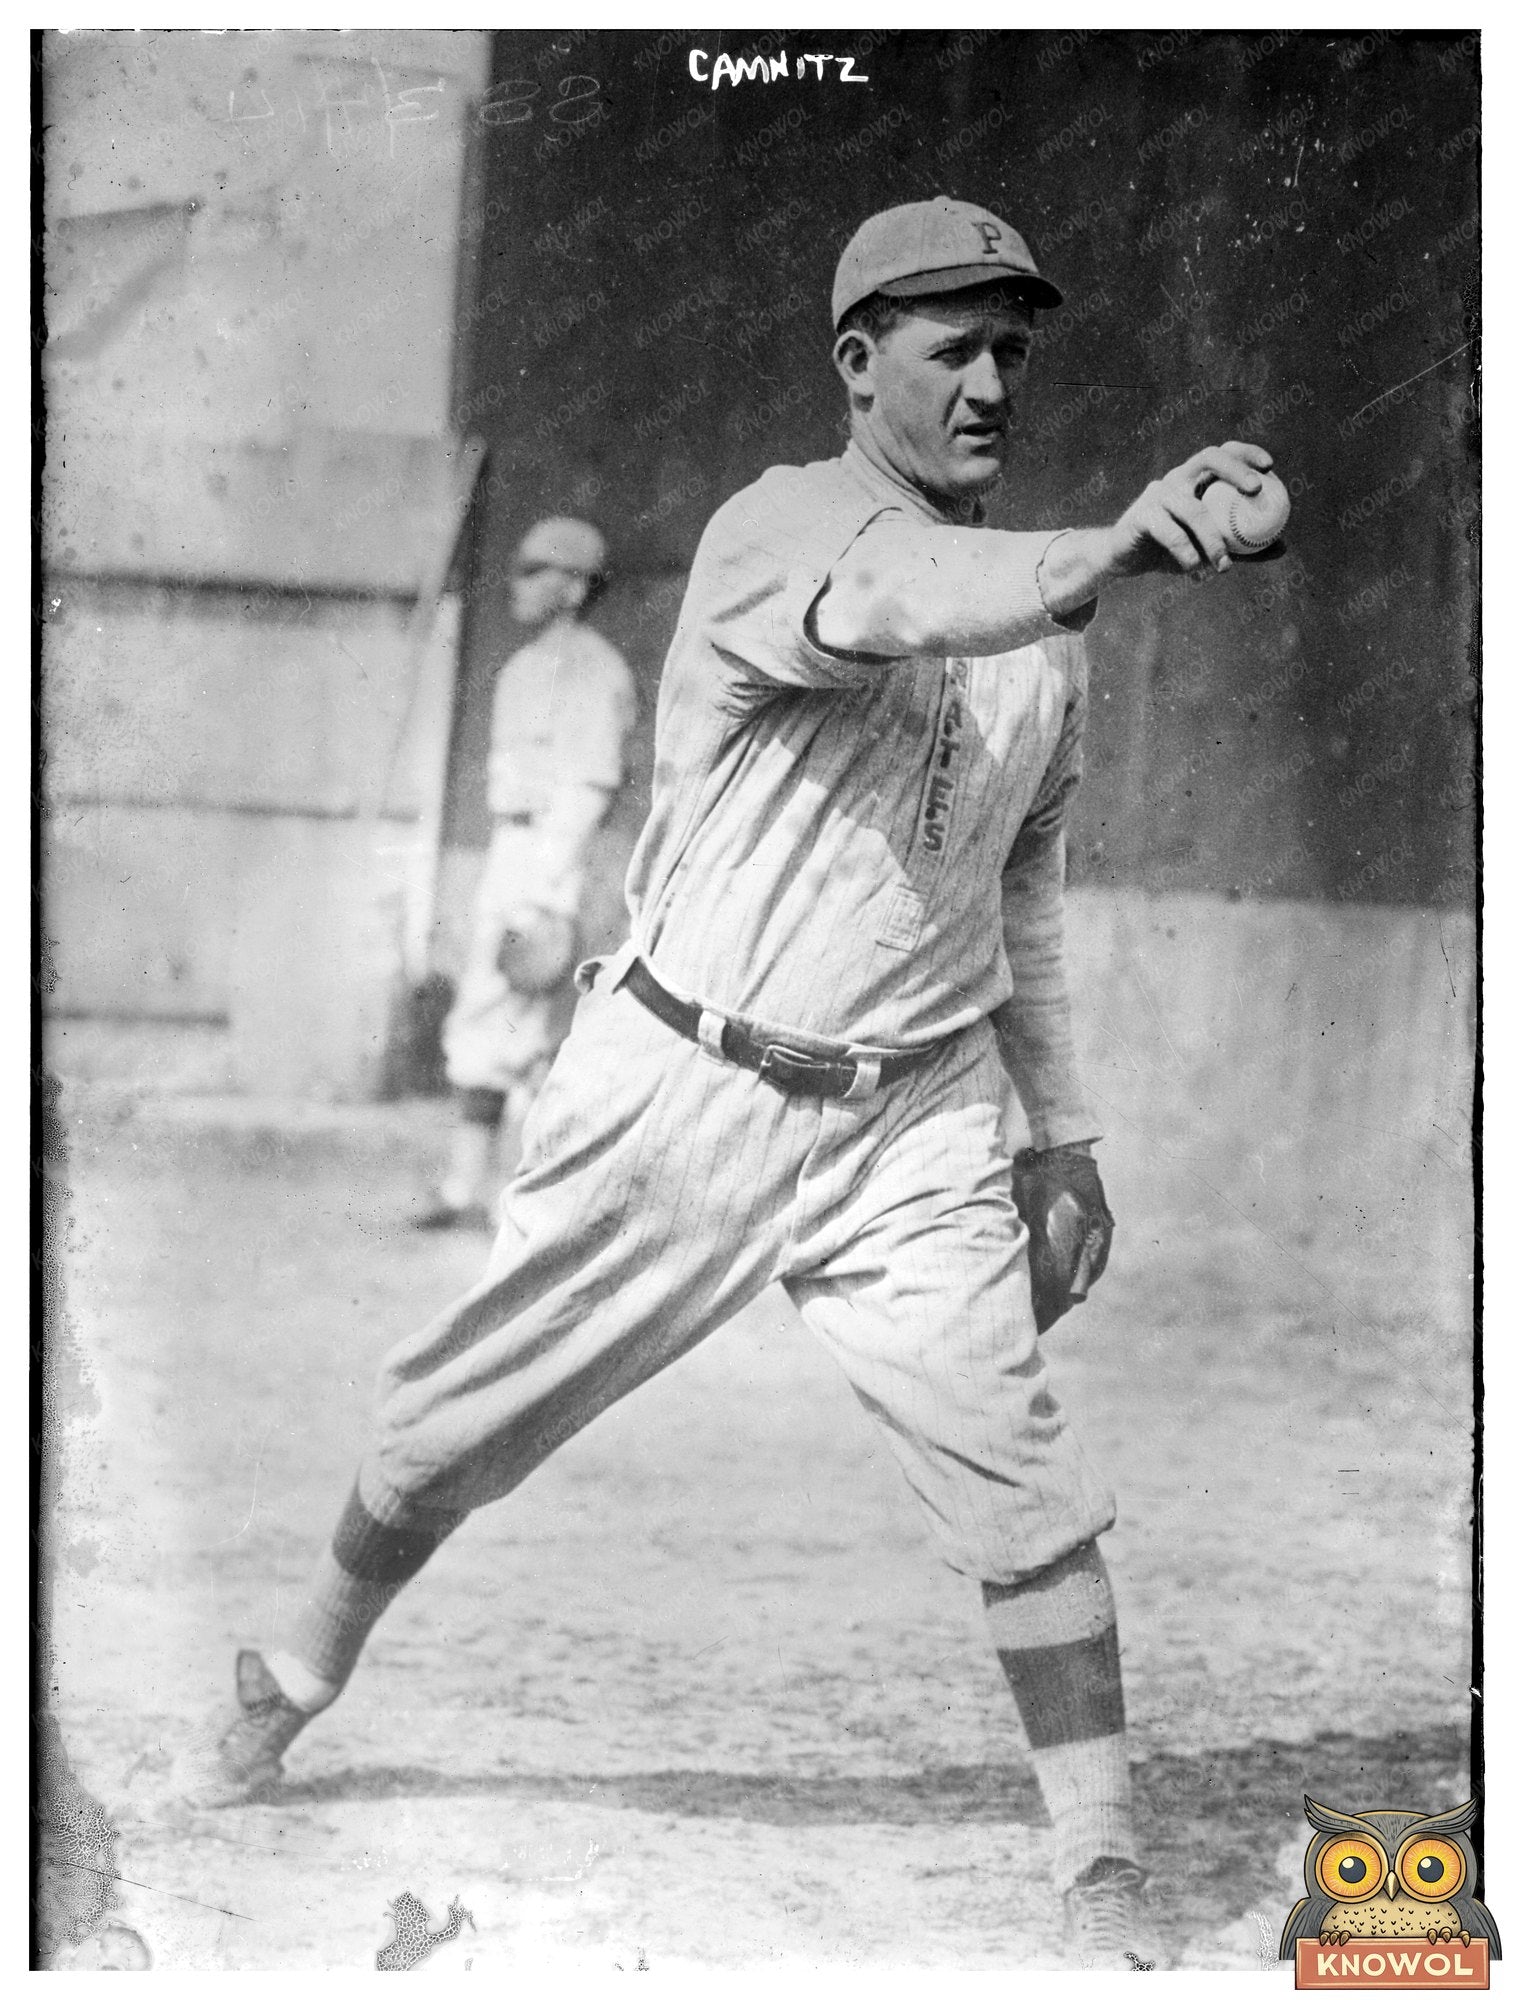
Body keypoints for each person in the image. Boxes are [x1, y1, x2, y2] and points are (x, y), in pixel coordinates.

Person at [183, 198, 1276, 1968]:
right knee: (446, 1436)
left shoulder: (1046, 630)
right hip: (680, 1090)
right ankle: (296, 1670)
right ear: (856, 367)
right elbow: (910, 595)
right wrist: (1123, 544)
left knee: (1014, 1466)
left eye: (1011, 346)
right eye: (950, 345)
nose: (991, 378)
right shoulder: (787, 528)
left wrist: (1060, 1136)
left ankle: (1097, 1862)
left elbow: (1020, 895)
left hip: (909, 1117)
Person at [413, 517, 637, 1229]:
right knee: (487, 1016)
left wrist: (545, 893)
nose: (517, 584)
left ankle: (528, 1200)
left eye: (535, 570)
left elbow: (588, 788)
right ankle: (469, 1190)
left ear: (574, 588)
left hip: (554, 859)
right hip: (513, 851)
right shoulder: (524, 667)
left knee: (533, 1025)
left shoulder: (595, 671)